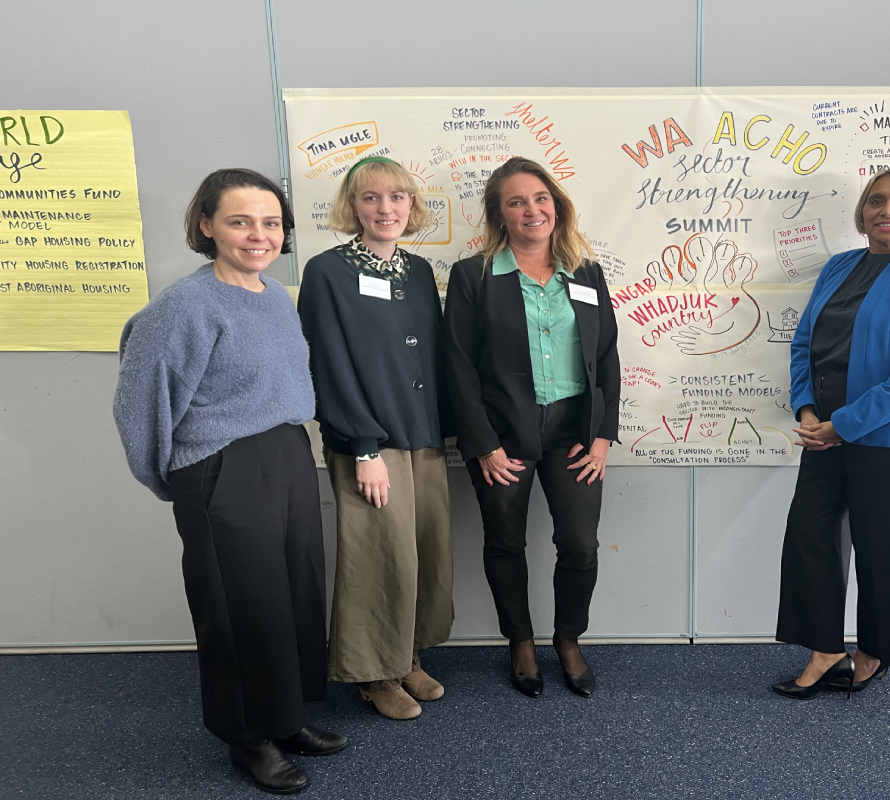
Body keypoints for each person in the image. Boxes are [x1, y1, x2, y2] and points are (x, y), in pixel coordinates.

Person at [113, 169, 346, 794]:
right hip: (218, 467)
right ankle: (248, 737)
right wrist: (180, 482)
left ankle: (288, 716)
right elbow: (139, 409)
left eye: (271, 222)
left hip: (287, 452)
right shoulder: (182, 308)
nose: (258, 235)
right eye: (240, 221)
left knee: (292, 593)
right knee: (239, 607)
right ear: (206, 226)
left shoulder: (273, 294)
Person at [771, 165, 890, 701]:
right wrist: (808, 410)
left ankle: (875, 652)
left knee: (885, 549)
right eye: (876, 200)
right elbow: (804, 342)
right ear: (862, 212)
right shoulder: (839, 267)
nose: (888, 210)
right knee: (812, 536)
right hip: (823, 428)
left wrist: (844, 426)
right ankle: (825, 650)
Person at [444, 156, 620, 699]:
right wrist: (483, 445)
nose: (531, 209)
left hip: (574, 434)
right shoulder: (474, 276)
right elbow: (458, 366)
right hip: (503, 438)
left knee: (579, 544)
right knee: (504, 543)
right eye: (516, 201)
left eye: (540, 198)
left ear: (556, 206)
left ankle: (568, 638)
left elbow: (607, 356)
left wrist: (602, 436)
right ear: (500, 214)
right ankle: (520, 641)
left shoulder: (586, 271)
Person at [297, 157, 455, 721]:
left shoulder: (415, 271)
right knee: (378, 556)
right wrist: (363, 447)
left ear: (411, 205)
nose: (385, 208)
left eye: (397, 197)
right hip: (370, 440)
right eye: (370, 198)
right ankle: (374, 673)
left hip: (423, 435)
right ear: (352, 206)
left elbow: (431, 356)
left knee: (421, 553)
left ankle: (406, 653)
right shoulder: (327, 271)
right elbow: (327, 364)